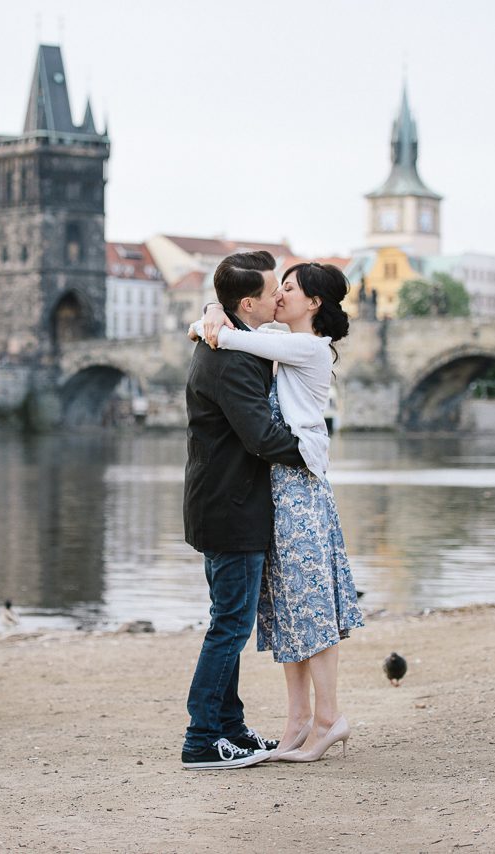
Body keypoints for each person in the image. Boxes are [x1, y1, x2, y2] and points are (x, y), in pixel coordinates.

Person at [195, 261, 364, 763]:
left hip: (301, 489)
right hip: (278, 487)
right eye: (278, 288)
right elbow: (228, 330)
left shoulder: (306, 346)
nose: (281, 295)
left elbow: (235, 339)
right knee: (289, 605)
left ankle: (328, 717)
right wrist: (210, 311)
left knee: (311, 604)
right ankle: (297, 722)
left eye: (289, 288)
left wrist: (214, 321)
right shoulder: (277, 336)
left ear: (313, 303)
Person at [181, 250, 308, 771]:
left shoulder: (231, 337)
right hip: (230, 506)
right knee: (230, 626)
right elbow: (259, 436)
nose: (281, 295)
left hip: (225, 502)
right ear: (249, 302)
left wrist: (211, 308)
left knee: (228, 619)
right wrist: (312, 448)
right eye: (274, 288)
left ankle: (228, 727)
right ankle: (202, 737)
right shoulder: (230, 357)